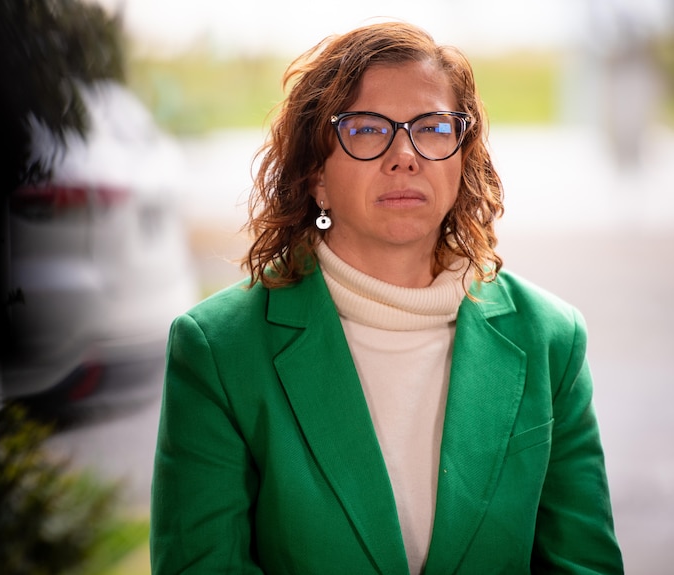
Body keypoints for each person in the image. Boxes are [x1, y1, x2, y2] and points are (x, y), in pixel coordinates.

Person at [150, 20, 623, 574]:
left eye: (433, 127)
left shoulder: (550, 338)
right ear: (315, 174)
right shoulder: (218, 349)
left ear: (462, 158)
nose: (405, 156)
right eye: (368, 129)